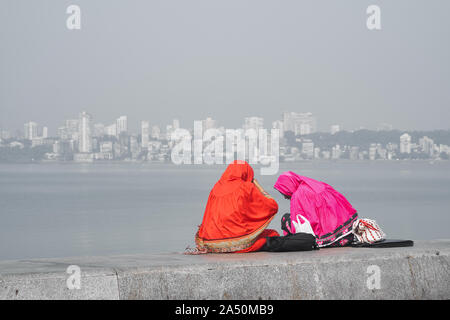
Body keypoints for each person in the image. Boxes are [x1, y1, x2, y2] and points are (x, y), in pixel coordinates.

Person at [188, 160, 279, 254]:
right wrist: (257, 185)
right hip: (236, 243)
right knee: (272, 234)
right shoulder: (246, 187)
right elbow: (272, 206)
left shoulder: (216, 187)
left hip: (211, 243)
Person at [274, 171, 358, 247]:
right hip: (346, 232)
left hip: (325, 239)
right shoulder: (314, 185)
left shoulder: (298, 195)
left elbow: (303, 221)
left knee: (286, 219)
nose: (284, 197)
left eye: (283, 192)